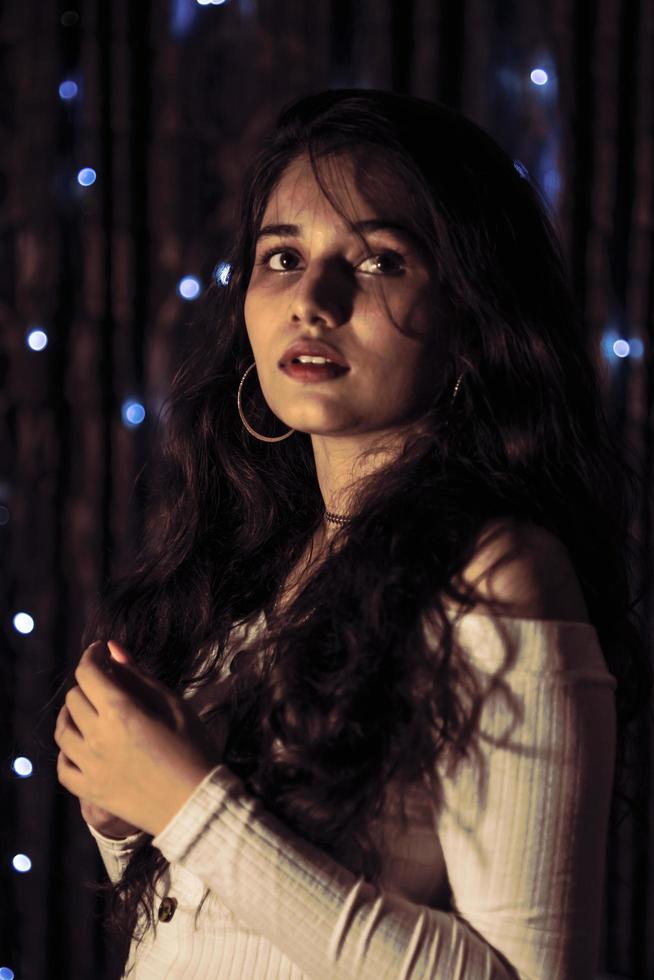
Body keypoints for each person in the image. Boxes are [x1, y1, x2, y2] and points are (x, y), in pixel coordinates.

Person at [54, 89, 650, 979]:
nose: (313, 300)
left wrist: (186, 800)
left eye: (378, 262)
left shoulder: (498, 573)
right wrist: (126, 813)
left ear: (468, 319)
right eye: (282, 256)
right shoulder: (242, 570)